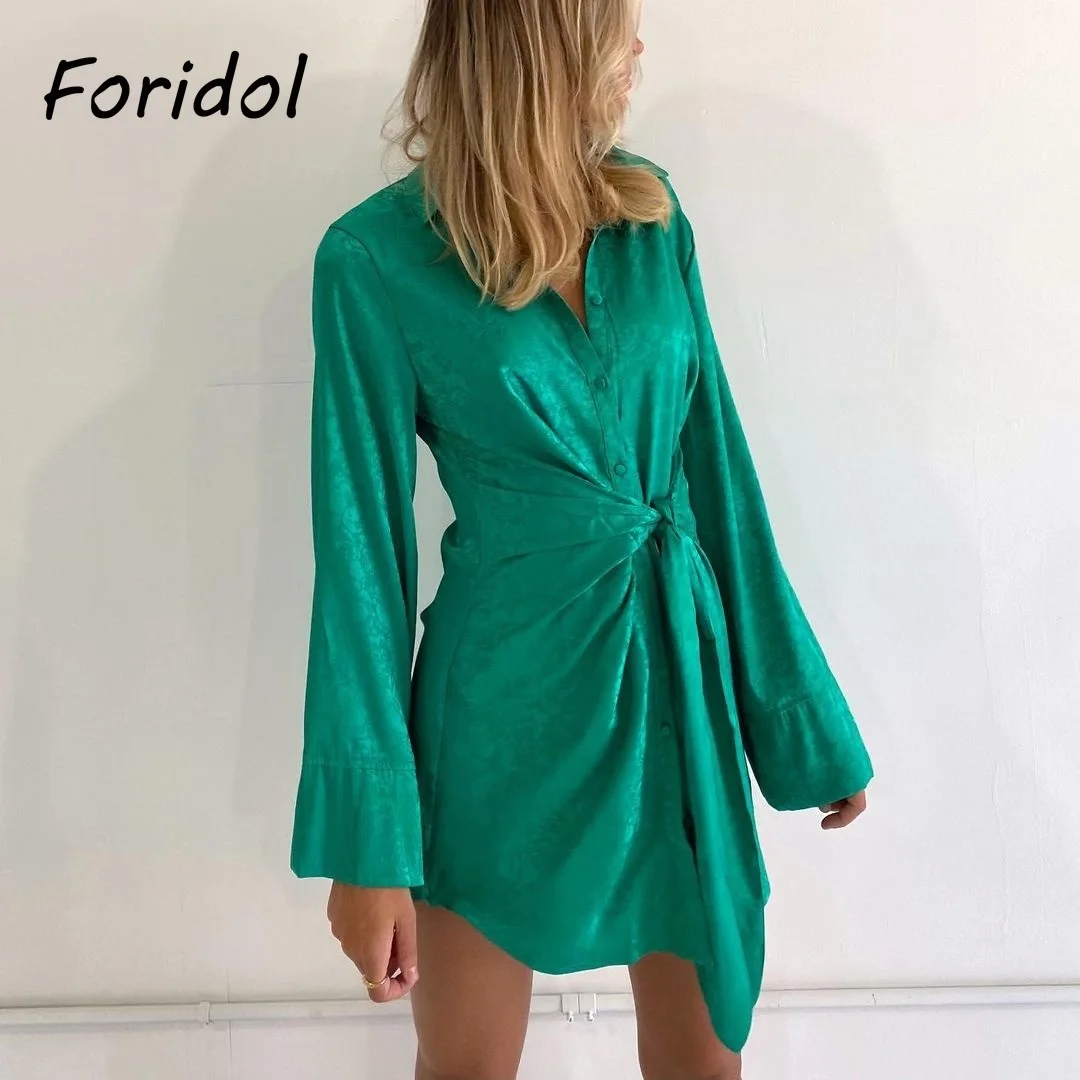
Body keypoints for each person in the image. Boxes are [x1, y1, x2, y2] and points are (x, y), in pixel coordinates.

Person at [289, 0, 874, 1077]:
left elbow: (717, 474)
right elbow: (359, 557)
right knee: (468, 1069)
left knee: (705, 1062)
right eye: (616, 25)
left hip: (676, 687)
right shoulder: (374, 258)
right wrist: (367, 848)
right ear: (538, 44)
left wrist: (798, 719)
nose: (638, 49)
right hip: (499, 713)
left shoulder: (652, 220)